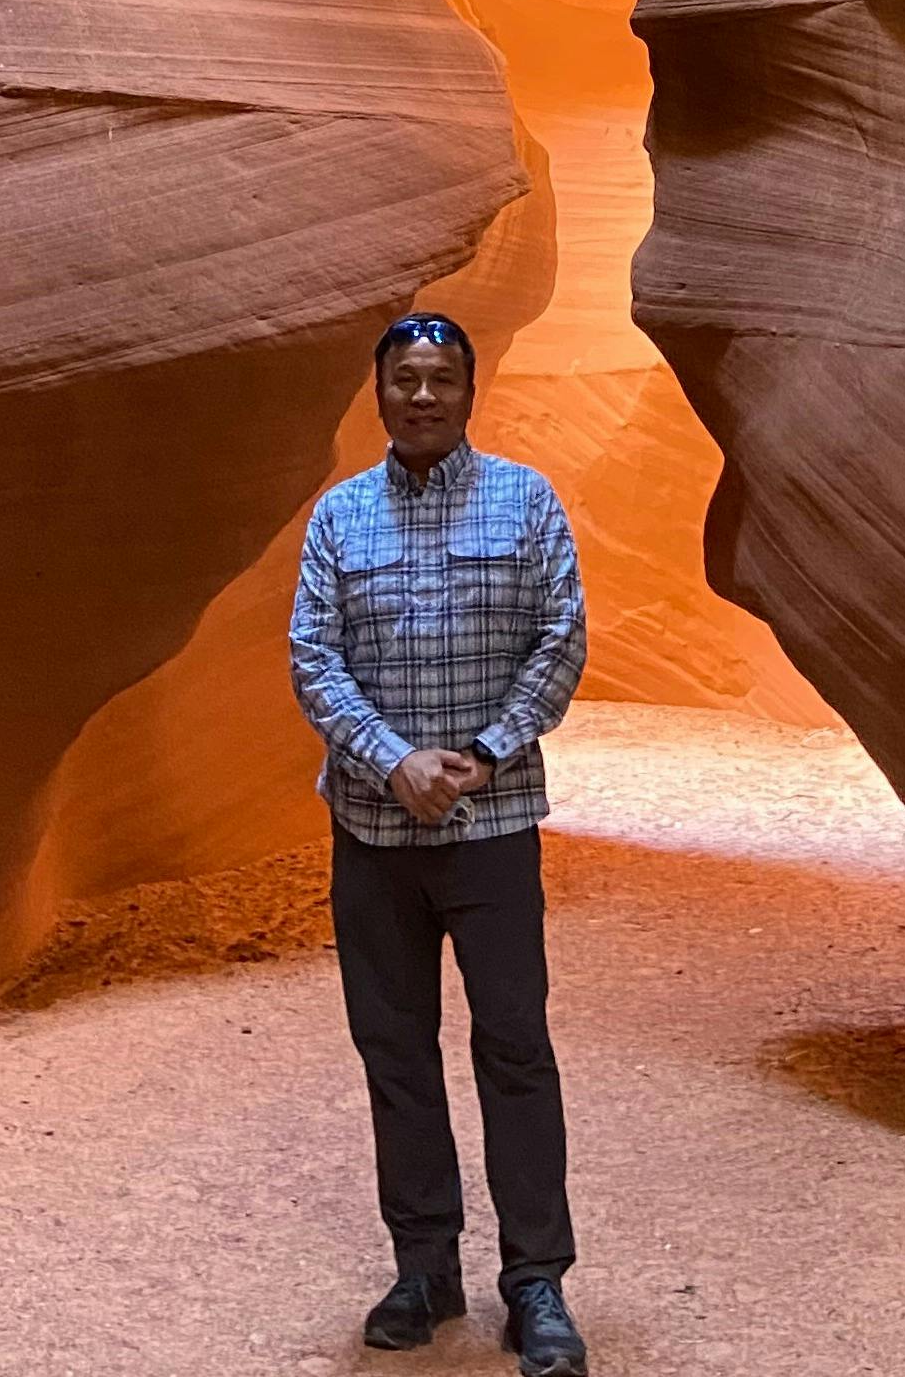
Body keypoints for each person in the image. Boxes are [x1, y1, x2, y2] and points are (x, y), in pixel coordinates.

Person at [288, 311, 591, 1376]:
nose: (423, 396)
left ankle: (536, 1281)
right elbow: (312, 657)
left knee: (514, 1045)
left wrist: (480, 750)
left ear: (470, 390)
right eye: (406, 378)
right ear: (378, 390)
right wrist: (391, 759)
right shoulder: (339, 518)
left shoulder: (526, 500)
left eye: (443, 379)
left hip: (495, 826)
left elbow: (562, 637)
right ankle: (424, 1266)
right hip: (374, 831)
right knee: (396, 1051)